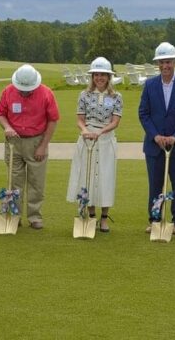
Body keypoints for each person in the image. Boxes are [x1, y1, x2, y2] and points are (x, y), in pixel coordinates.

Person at [138, 42, 175, 235]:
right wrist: (155, 136)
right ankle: (154, 219)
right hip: (154, 146)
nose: (165, 66)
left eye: (169, 62)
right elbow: (143, 114)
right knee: (155, 184)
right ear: (157, 64)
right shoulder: (149, 85)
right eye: (162, 62)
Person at [0, 64, 59, 229]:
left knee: (36, 182)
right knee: (14, 181)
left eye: (28, 90)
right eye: (21, 89)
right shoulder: (8, 91)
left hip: (36, 141)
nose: (24, 92)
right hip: (13, 141)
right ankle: (14, 215)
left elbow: (53, 120)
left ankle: (34, 216)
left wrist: (43, 146)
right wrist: (7, 127)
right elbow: (0, 113)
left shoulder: (46, 93)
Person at [66, 57, 122, 232]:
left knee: (105, 178)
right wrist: (84, 130)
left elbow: (115, 122)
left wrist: (101, 132)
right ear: (92, 76)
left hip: (106, 140)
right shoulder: (84, 95)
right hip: (87, 139)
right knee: (87, 177)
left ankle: (104, 218)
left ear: (108, 76)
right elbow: (80, 120)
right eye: (96, 74)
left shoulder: (116, 97)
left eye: (103, 75)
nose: (99, 78)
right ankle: (90, 215)